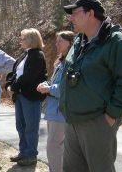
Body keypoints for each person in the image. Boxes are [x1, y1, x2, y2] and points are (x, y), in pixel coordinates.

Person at [60, 0, 122, 172]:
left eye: (75, 13)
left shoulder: (115, 41)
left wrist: (111, 114)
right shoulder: (79, 41)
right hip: (72, 121)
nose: (71, 18)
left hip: (97, 122)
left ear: (91, 13)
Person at [5, 28, 47, 166]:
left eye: (22, 38)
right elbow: (14, 74)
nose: (20, 41)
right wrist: (9, 86)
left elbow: (29, 76)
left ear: (31, 40)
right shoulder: (24, 55)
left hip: (31, 97)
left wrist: (14, 87)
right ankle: (23, 152)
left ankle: (31, 155)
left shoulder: (37, 55)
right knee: (20, 125)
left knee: (31, 127)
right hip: (20, 96)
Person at [37, 31, 75, 172]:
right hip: (54, 110)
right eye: (56, 41)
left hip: (60, 111)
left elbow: (67, 89)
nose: (56, 44)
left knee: (54, 147)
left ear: (70, 42)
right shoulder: (60, 62)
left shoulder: (71, 62)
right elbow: (56, 83)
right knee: (58, 147)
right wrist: (46, 84)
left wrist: (49, 89)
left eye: (60, 41)